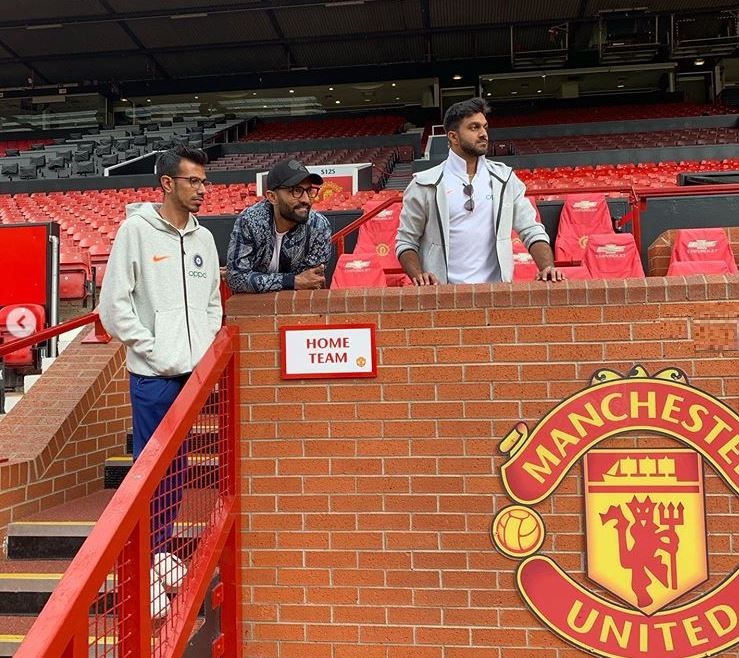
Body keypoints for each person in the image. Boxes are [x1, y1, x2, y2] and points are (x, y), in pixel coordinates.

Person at [98, 144, 222, 617]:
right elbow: (114, 308)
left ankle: (160, 546)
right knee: (149, 471)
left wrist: (200, 349)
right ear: (168, 183)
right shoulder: (135, 231)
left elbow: (212, 301)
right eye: (194, 181)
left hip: (192, 375)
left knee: (178, 468)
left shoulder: (204, 240)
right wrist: (153, 349)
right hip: (152, 375)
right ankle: (140, 561)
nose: (202, 190)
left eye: (205, 182)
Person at [396, 97, 563, 285]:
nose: (484, 133)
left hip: (494, 294)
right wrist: (419, 276)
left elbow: (531, 229)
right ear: (453, 137)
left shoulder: (505, 179)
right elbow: (406, 242)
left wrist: (547, 267)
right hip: (442, 296)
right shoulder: (424, 184)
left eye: (484, 126)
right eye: (474, 127)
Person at [226, 158, 332, 293]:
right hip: (252, 308)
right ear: (272, 197)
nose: (306, 199)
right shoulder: (250, 221)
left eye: (309, 190)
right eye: (296, 191)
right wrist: (292, 281)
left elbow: (310, 283)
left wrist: (254, 278)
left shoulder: (318, 226)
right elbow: (237, 279)